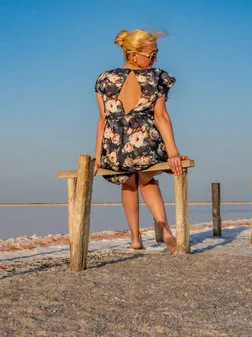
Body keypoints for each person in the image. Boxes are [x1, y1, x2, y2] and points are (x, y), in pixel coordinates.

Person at [93, 29, 189, 254]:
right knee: (146, 181)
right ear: (133, 55)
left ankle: (136, 239)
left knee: (128, 183)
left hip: (114, 148)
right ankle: (164, 227)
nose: (155, 59)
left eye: (156, 55)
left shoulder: (104, 79)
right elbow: (161, 117)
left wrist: (98, 158)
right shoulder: (157, 77)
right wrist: (173, 152)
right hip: (144, 144)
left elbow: (103, 121)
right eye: (151, 55)